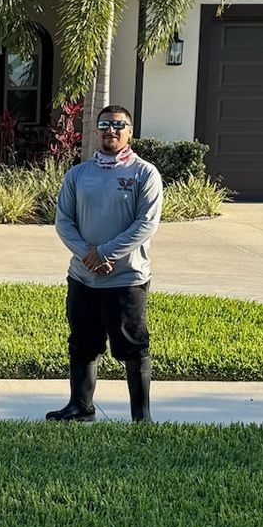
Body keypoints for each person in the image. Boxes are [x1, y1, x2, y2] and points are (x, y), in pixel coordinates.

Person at [47, 104, 163, 423]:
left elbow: (145, 224)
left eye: (118, 125)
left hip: (126, 280)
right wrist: (88, 255)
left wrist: (105, 253)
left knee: (133, 348)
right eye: (105, 125)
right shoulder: (79, 174)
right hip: (83, 278)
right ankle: (80, 407)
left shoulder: (144, 173)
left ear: (130, 131)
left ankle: (142, 417)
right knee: (82, 344)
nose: (111, 130)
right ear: (97, 130)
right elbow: (63, 222)